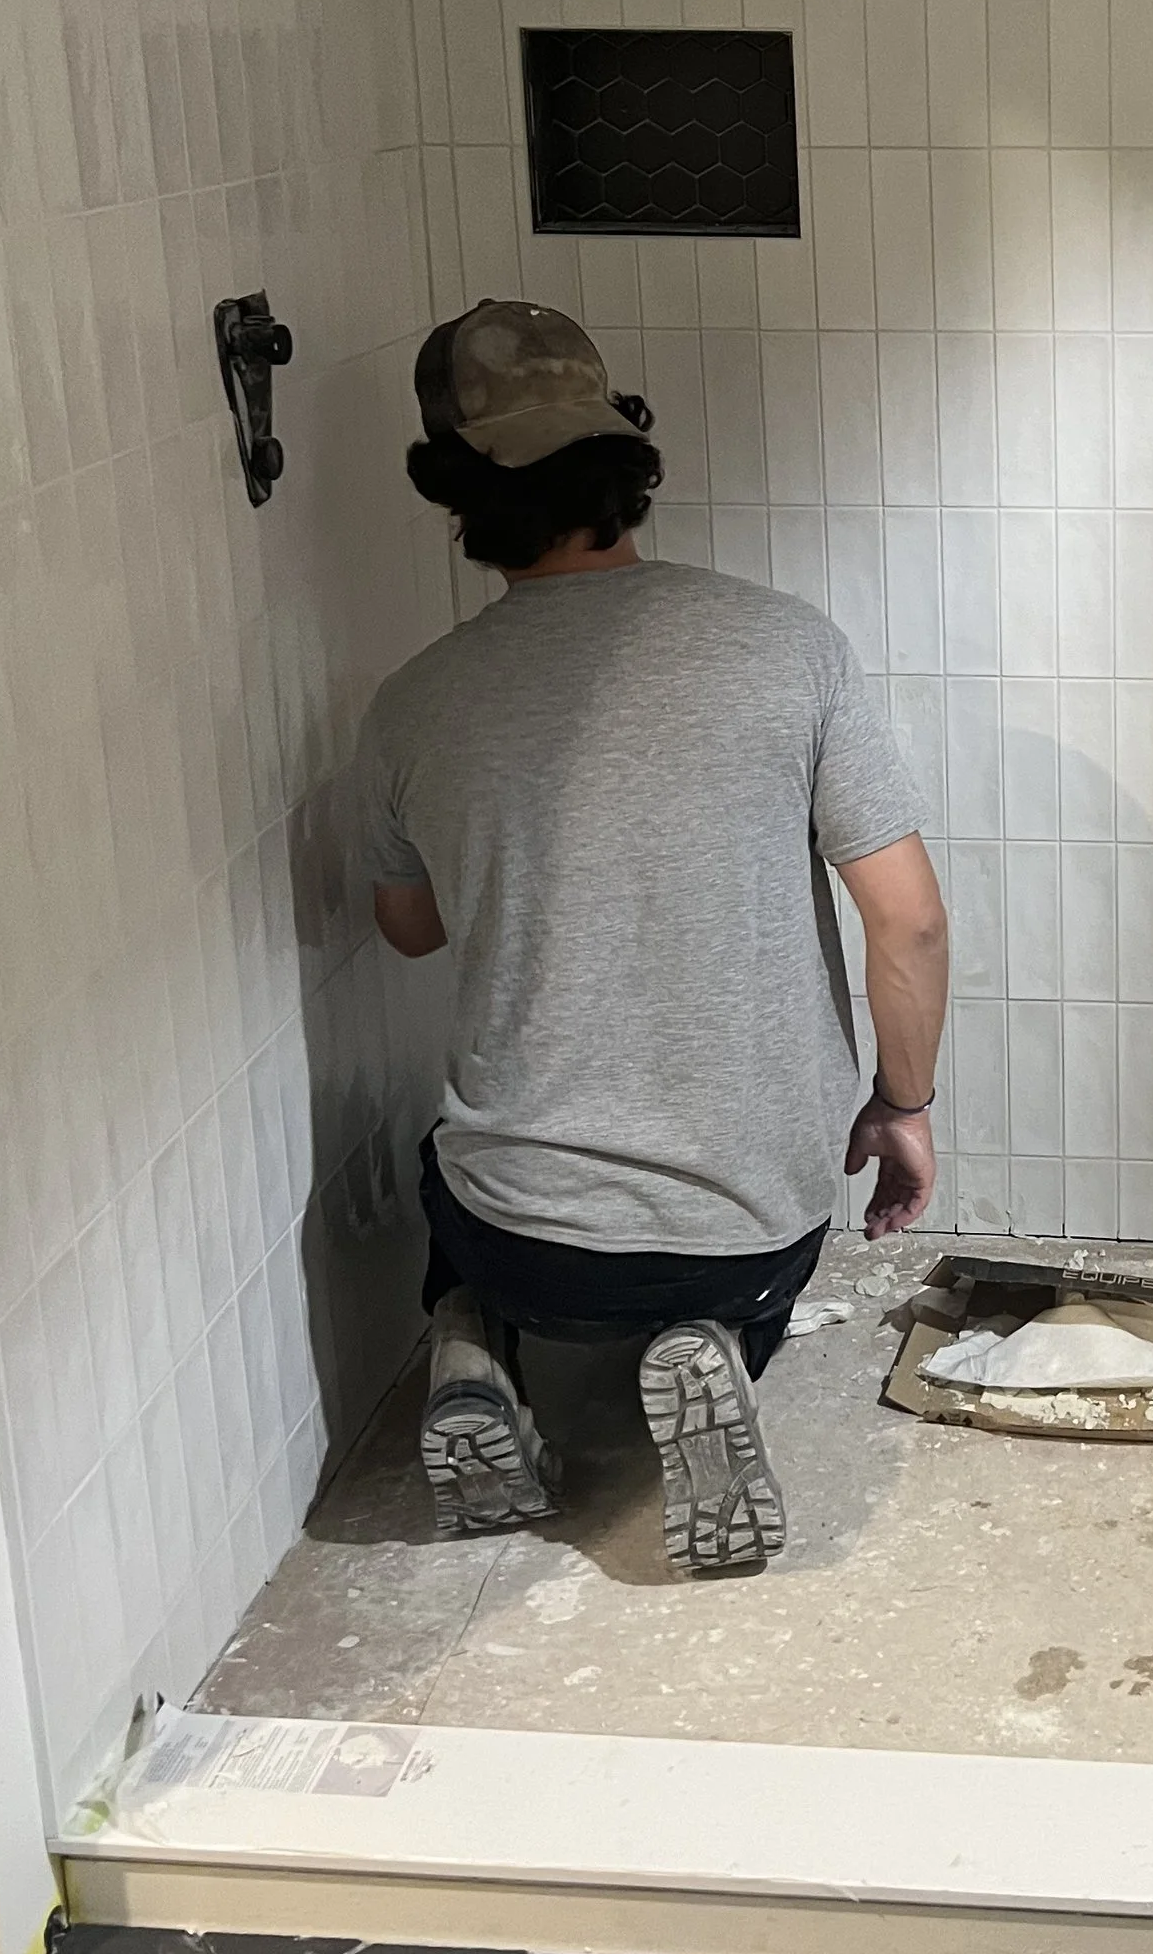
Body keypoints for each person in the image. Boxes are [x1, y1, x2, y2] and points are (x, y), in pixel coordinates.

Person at [352, 300, 948, 1577]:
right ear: (624, 463)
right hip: (748, 1228)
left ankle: (471, 1349)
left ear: (456, 496)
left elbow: (408, 931)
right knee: (739, 1282)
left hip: (526, 1234)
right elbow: (907, 919)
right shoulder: (788, 650)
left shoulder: (412, 704)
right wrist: (903, 1103)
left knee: (447, 1177)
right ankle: (717, 1348)